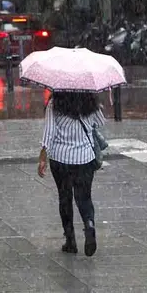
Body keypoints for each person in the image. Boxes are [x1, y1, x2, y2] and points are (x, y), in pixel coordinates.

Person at [37, 92, 107, 257]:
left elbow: (49, 131)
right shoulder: (90, 100)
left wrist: (42, 157)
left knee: (65, 197)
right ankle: (89, 225)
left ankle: (70, 240)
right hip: (84, 157)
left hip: (60, 158)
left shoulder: (55, 103)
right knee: (84, 197)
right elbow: (101, 122)